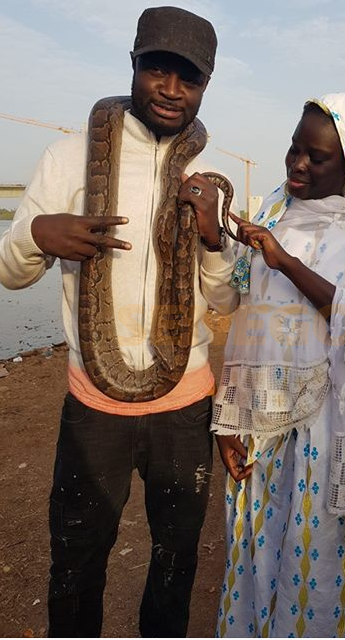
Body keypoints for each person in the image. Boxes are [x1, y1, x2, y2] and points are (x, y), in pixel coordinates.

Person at [0, 6, 239, 638]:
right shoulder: (68, 158)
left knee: (174, 563)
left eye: (188, 78)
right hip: (94, 407)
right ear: (133, 66)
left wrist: (214, 235)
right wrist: (37, 234)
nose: (170, 88)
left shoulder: (202, 179)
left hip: (185, 408)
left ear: (204, 87)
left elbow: (225, 302)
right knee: (75, 563)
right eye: (157, 68)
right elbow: (11, 274)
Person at [212, 93, 345, 638]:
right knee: (256, 554)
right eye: (294, 148)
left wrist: (287, 262)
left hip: (330, 439)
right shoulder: (272, 212)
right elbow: (243, 312)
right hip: (261, 428)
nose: (299, 163)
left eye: (318, 156)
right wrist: (229, 419)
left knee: (319, 567)